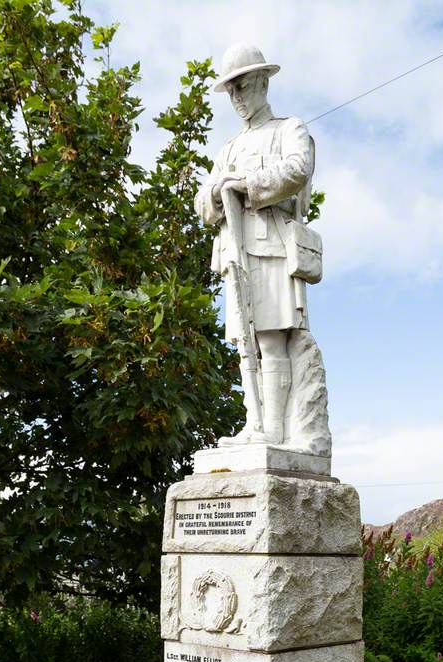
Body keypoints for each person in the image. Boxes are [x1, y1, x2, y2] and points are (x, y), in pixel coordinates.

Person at [194, 43, 330, 455]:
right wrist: (218, 192)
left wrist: (246, 185)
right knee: (244, 341)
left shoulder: (290, 129)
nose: (236, 96)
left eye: (243, 85)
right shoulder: (227, 148)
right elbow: (203, 205)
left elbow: (297, 170)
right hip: (235, 252)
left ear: (263, 81)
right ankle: (255, 422)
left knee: (271, 338)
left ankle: (275, 430)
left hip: (270, 247)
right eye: (230, 90)